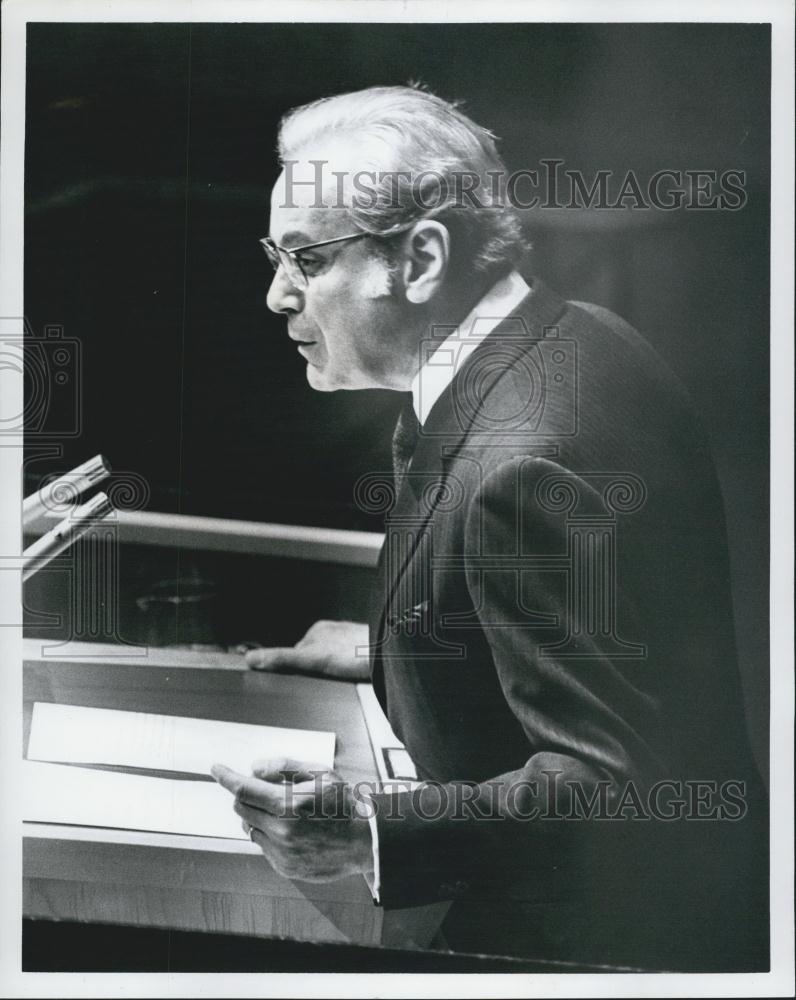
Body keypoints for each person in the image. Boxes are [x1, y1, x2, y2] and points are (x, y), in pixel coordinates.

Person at [212, 85, 767, 970]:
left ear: (421, 260)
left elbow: (616, 792)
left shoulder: (528, 462)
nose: (278, 296)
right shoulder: (575, 337)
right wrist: (411, 643)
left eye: (306, 260)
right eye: (275, 254)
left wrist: (368, 832)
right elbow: (611, 644)